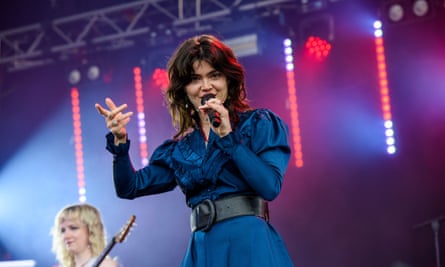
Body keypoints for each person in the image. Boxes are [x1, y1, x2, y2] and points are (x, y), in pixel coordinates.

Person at [95, 34, 294, 266]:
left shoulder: (258, 125)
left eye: (214, 75)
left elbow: (270, 187)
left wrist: (228, 138)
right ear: (184, 90)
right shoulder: (180, 149)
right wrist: (120, 144)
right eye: (195, 79)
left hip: (247, 242)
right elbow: (129, 187)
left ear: (229, 81)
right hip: (203, 246)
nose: (206, 86)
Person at [51, 203, 118, 267]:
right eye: (62, 231)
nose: (65, 236)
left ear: (91, 231)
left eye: (73, 228)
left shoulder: (105, 265)